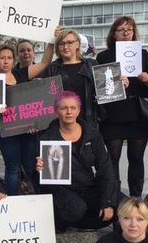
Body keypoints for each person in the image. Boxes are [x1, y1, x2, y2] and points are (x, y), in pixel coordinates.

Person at [0, 41, 55, 195]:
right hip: (7, 131)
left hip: (29, 130)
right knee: (13, 168)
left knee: (31, 167)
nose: (6, 61)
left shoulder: (22, 73)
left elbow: (45, 62)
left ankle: (34, 199)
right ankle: (12, 203)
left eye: (9, 58)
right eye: (2, 58)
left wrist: (50, 41)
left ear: (13, 60)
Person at [36, 91, 118, 232]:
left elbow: (105, 168)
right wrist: (39, 168)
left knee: (120, 206)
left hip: (88, 186)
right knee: (77, 209)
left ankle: (75, 222)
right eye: (64, 108)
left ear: (79, 110)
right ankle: (64, 221)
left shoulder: (92, 134)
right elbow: (41, 179)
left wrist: (108, 202)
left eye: (73, 108)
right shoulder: (46, 137)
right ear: (56, 111)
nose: (69, 112)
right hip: (61, 190)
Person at [96, 16, 148, 197]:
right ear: (113, 34)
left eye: (129, 30)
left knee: (137, 159)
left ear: (133, 33)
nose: (125, 33)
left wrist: (147, 80)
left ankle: (136, 199)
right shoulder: (103, 56)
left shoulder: (142, 54)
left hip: (139, 114)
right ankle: (114, 198)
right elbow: (100, 89)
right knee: (112, 159)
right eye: (121, 30)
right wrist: (115, 82)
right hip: (113, 116)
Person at [42, 29, 103, 128]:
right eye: (61, 44)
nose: (65, 47)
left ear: (78, 44)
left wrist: (119, 83)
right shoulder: (51, 69)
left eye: (70, 43)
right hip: (60, 124)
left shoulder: (91, 64)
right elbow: (43, 97)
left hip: (88, 121)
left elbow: (106, 90)